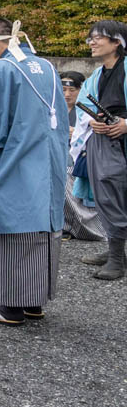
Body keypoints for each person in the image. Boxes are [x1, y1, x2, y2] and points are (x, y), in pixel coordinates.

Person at [0, 19, 67, 325]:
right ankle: (34, 301)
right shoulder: (47, 67)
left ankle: (11, 305)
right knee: (41, 228)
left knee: (11, 226)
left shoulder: (0, 72)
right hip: (47, 163)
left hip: (13, 163)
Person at [71, 20, 127, 280]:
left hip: (121, 140)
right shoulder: (98, 74)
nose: (92, 42)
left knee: (117, 195)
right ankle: (114, 250)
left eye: (98, 38)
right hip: (101, 140)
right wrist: (92, 120)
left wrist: (125, 124)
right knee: (104, 195)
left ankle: (117, 258)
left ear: (117, 42)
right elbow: (85, 106)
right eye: (90, 38)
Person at [60, 70, 105, 241]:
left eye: (72, 90)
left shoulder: (86, 109)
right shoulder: (52, 108)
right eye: (63, 89)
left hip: (81, 158)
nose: (67, 94)